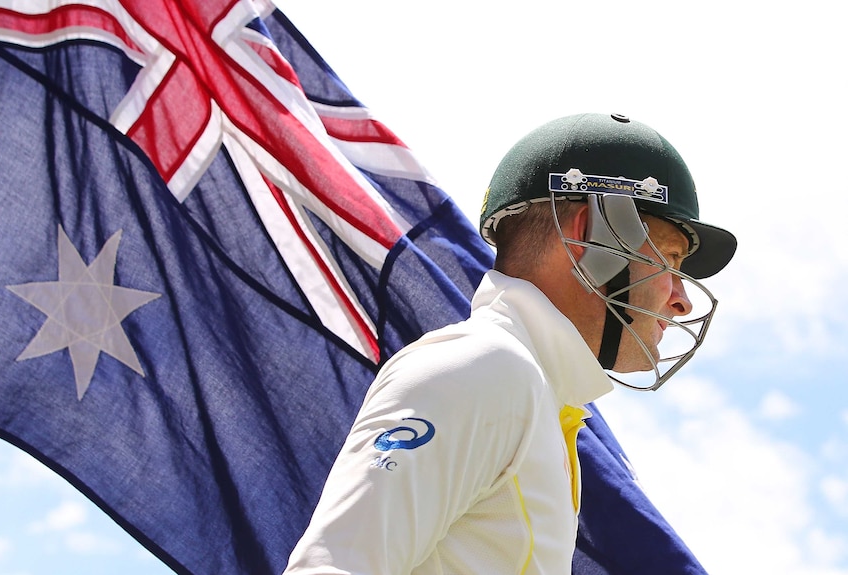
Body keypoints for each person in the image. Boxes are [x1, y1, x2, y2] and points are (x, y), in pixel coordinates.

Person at [283, 113, 737, 574]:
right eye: (671, 259)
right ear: (594, 234)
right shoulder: (485, 368)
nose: (680, 300)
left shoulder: (534, 394)